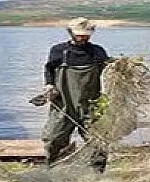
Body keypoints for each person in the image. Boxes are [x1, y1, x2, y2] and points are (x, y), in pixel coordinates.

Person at [40, 17, 109, 171]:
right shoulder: (58, 51)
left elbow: (109, 71)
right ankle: (54, 170)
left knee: (99, 141)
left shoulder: (97, 52)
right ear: (70, 32)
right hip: (64, 104)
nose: (83, 37)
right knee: (53, 138)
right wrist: (49, 85)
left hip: (90, 105)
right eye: (79, 35)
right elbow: (49, 69)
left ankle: (96, 174)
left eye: (86, 34)